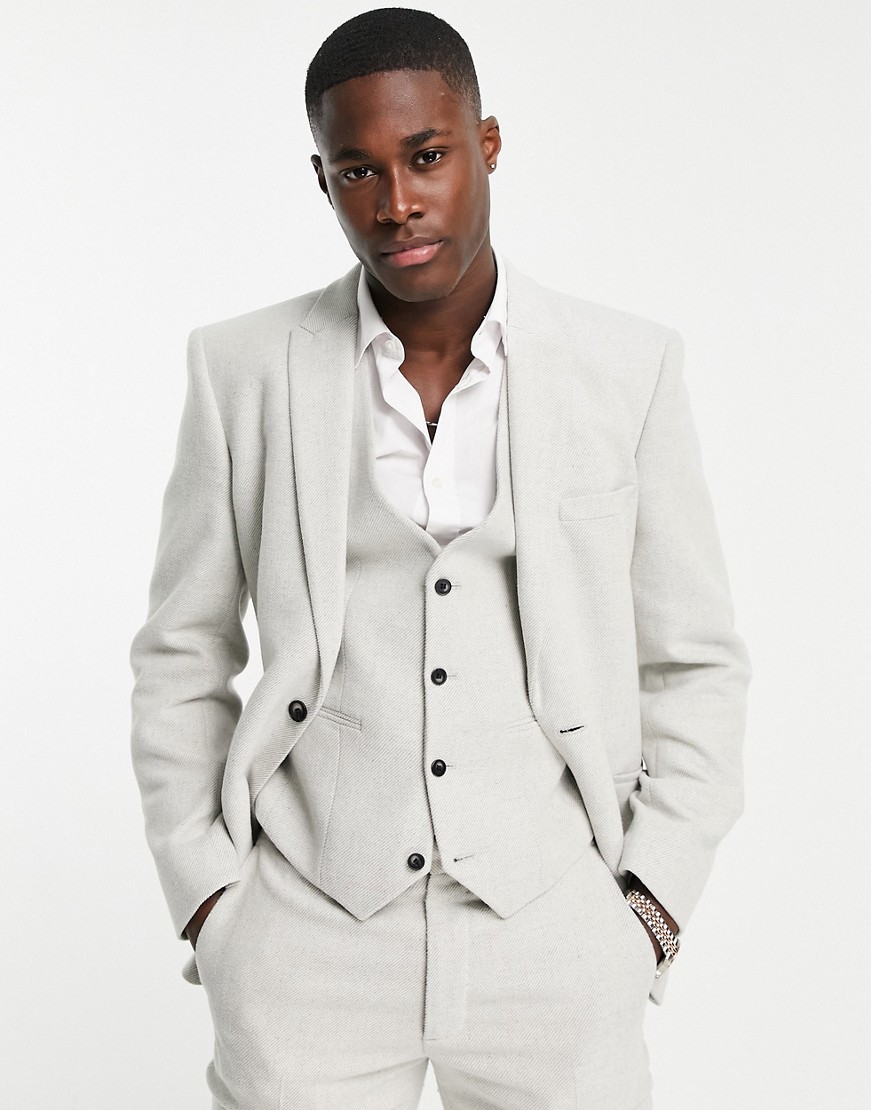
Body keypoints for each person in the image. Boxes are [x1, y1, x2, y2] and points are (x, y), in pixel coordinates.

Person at [129, 8, 751, 1108]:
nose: (396, 203)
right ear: (323, 181)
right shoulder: (242, 371)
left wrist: (650, 903)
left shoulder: (627, 367)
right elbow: (181, 651)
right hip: (306, 937)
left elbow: (693, 660)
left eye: (426, 157)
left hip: (555, 936)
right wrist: (210, 899)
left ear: (486, 144)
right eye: (357, 171)